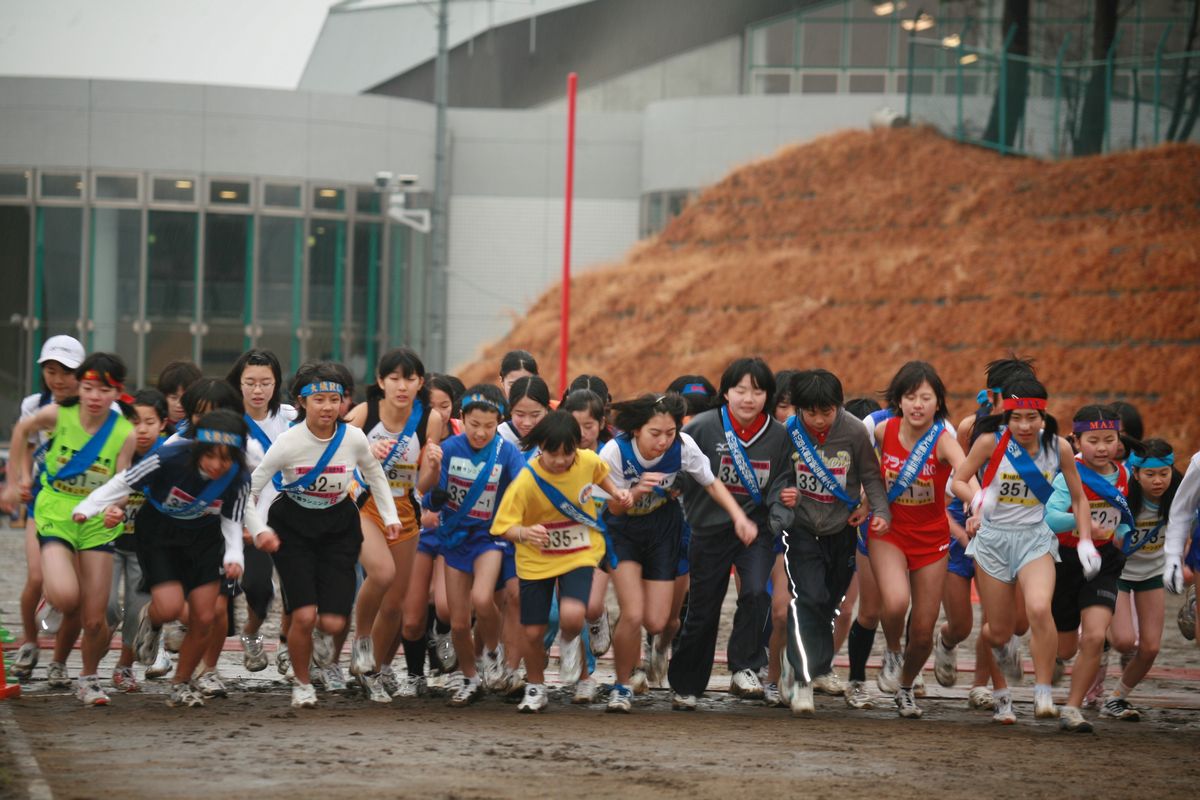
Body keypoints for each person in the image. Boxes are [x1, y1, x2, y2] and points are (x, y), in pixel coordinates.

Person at [245, 364, 402, 708]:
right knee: (302, 615)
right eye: (319, 399)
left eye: (335, 399)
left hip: (338, 525)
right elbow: (252, 487)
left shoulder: (353, 438)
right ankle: (302, 684)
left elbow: (374, 475)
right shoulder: (287, 442)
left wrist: (390, 517)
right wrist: (255, 528)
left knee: (332, 620)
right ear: (302, 402)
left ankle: (320, 642)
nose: (328, 407)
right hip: (293, 526)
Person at [72, 409, 249, 708]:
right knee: (168, 608)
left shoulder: (239, 477)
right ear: (197, 448)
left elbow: (233, 520)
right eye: (211, 456)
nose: (218, 465)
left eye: (226, 457)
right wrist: (89, 506)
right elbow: (124, 481)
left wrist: (235, 556)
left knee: (204, 618)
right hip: (160, 534)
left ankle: (181, 682)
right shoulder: (169, 458)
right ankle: (151, 621)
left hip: (205, 540)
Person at [601, 393, 756, 712]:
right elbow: (613, 510)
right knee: (632, 613)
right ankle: (622, 685)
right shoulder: (615, 452)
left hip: (663, 528)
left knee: (658, 621)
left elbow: (712, 483)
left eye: (669, 433)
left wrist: (739, 517)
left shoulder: (683, 446)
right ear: (636, 431)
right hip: (624, 530)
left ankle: (656, 644)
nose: (662, 441)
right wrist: (634, 492)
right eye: (654, 434)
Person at [952, 377, 1092, 725]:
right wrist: (976, 499)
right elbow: (958, 479)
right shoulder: (988, 441)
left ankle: (1043, 693)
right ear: (1007, 417)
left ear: (1043, 415)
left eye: (1032, 417)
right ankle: (1001, 685)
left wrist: (1086, 538)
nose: (1025, 425)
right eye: (1017, 418)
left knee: (1038, 608)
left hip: (1035, 538)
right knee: (998, 631)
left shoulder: (1057, 447)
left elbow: (1078, 496)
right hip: (994, 541)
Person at [1, 353, 136, 705]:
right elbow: (21, 431)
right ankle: (55, 594)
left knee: (95, 620)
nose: (94, 396)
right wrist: (14, 482)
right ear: (81, 386)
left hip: (95, 523)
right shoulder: (56, 413)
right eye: (88, 387)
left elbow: (122, 483)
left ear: (117, 393)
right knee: (65, 597)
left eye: (103, 390)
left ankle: (88, 679)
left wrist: (115, 510)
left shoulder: (124, 432)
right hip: (56, 513)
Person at [490, 411, 632, 713]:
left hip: (579, 551)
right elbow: (502, 526)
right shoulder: (526, 480)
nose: (561, 460)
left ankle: (569, 644)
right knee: (532, 632)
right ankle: (536, 686)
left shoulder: (585, 460)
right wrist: (525, 532)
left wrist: (616, 491)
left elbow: (599, 472)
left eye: (567, 453)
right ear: (540, 447)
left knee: (571, 615)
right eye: (553, 453)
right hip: (535, 559)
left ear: (575, 447)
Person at [667, 358, 786, 710]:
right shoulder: (702, 427)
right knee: (703, 609)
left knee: (755, 594)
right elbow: (678, 470)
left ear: (768, 395)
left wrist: (781, 508)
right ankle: (686, 684)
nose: (748, 399)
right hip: (708, 529)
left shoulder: (779, 436)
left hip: (756, 532)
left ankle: (744, 667)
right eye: (740, 390)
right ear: (726, 393)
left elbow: (782, 481)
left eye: (758, 391)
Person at [771, 369, 890, 717]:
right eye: (811, 413)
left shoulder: (853, 431)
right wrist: (783, 495)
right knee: (808, 597)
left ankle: (802, 663)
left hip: (841, 530)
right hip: (802, 529)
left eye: (827, 412)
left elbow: (871, 474)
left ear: (838, 407)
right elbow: (777, 477)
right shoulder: (787, 434)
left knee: (830, 603)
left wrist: (879, 510)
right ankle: (802, 681)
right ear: (798, 410)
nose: (820, 420)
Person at [935, 357, 1036, 713]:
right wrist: (976, 509)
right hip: (962, 520)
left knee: (1009, 621)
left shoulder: (1034, 434)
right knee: (962, 623)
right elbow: (962, 475)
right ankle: (946, 641)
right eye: (1005, 399)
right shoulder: (969, 428)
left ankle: (985, 686)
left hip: (1004, 527)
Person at [870, 362, 971, 719]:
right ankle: (893, 651)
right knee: (896, 603)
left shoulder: (944, 440)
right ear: (898, 400)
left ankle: (907, 686)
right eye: (910, 396)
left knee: (925, 631)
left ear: (938, 403)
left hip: (932, 540)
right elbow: (862, 467)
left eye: (925, 398)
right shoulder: (883, 431)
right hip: (889, 532)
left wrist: (976, 504)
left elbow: (965, 471)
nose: (917, 404)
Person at [345, 348, 443, 696]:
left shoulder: (429, 420)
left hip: (404, 513)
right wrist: (365, 455)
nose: (402, 386)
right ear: (380, 381)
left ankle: (374, 672)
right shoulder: (363, 414)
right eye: (394, 378)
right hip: (365, 507)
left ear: (420, 382)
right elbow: (338, 460)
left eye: (410, 379)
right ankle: (361, 643)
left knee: (395, 604)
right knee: (382, 573)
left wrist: (431, 466)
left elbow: (424, 486)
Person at [425, 384, 526, 706]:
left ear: (499, 420)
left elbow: (523, 487)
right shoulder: (450, 448)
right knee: (457, 622)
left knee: (484, 599)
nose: (481, 432)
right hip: (454, 539)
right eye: (474, 425)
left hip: (489, 539)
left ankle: (492, 654)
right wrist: (435, 497)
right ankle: (469, 678)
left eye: (489, 425)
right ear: (462, 418)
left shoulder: (506, 451)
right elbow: (428, 494)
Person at [1045, 405, 1134, 732]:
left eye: (1108, 439)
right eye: (1093, 440)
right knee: (1067, 647)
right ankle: (1055, 658)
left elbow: (1122, 519)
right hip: (1067, 561)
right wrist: (1083, 523)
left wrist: (1123, 536)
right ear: (1076, 440)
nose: (1101, 447)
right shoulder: (1069, 473)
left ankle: (1072, 708)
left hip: (1105, 561)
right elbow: (1051, 518)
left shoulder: (1124, 475)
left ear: (1118, 440)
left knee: (1095, 636)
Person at [9, 334, 85, 681]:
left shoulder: (93, 406)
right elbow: (25, 444)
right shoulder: (33, 404)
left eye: (66, 371)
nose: (58, 379)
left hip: (86, 504)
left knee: (74, 595)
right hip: (43, 498)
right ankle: (29, 640)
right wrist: (23, 479)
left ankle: (60, 662)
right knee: (37, 577)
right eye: (51, 370)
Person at [227, 349, 296, 674]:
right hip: (236, 520)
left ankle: (285, 644)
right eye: (250, 382)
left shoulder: (291, 418)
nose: (258, 390)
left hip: (284, 517)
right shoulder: (225, 419)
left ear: (276, 383)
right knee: (258, 588)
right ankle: (251, 632)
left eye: (265, 382)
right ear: (238, 383)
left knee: (294, 588)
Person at [1105, 438, 1181, 720]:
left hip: (1152, 574)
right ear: (1135, 474)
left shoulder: (1180, 497)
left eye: (1164, 473)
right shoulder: (1121, 496)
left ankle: (1116, 698)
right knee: (1124, 642)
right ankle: (1099, 631)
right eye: (1150, 474)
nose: (1158, 481)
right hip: (1119, 574)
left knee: (1150, 647)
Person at [107, 389, 172, 692]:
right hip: (107, 541)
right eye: (134, 422)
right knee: (105, 608)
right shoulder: (115, 449)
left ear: (163, 423)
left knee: (136, 611)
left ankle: (124, 666)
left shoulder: (169, 454)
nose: (141, 429)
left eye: (149, 422)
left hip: (145, 550)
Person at [156, 360, 203, 433]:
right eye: (173, 398)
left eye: (185, 398)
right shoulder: (150, 424)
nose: (179, 404)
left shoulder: (203, 428)